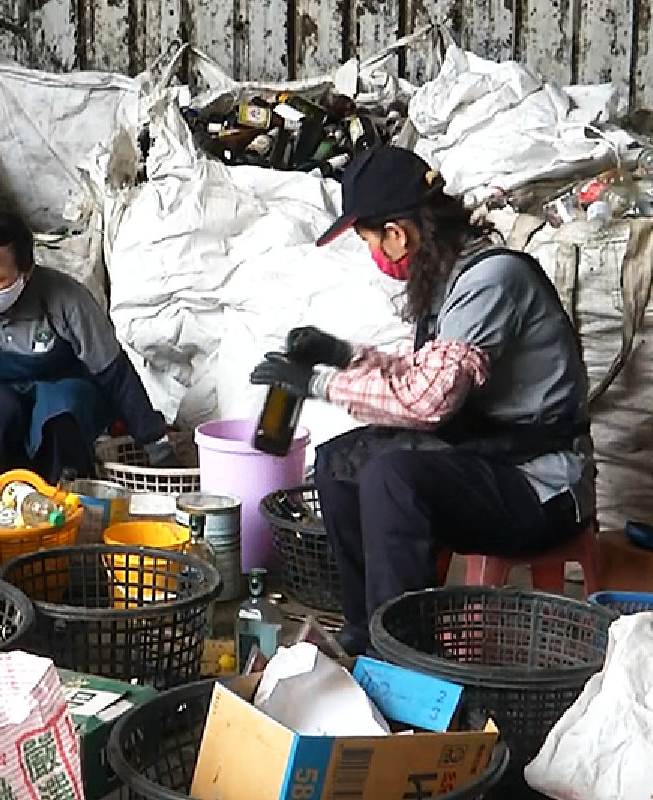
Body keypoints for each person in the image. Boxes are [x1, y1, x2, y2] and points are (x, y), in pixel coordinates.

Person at [249, 146, 594, 656]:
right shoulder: (450, 278)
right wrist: (343, 356)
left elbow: (428, 403)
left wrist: (319, 386)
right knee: (339, 462)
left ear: (397, 234)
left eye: (369, 240)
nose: (376, 254)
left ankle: (405, 654)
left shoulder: (490, 282)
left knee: (392, 477)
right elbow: (425, 372)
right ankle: (365, 630)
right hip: (490, 460)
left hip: (541, 487)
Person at [0, 209, 175, 483]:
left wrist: (157, 446)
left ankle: (67, 502)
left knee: (61, 411)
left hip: (64, 387)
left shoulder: (68, 300)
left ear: (26, 271)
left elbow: (115, 374)